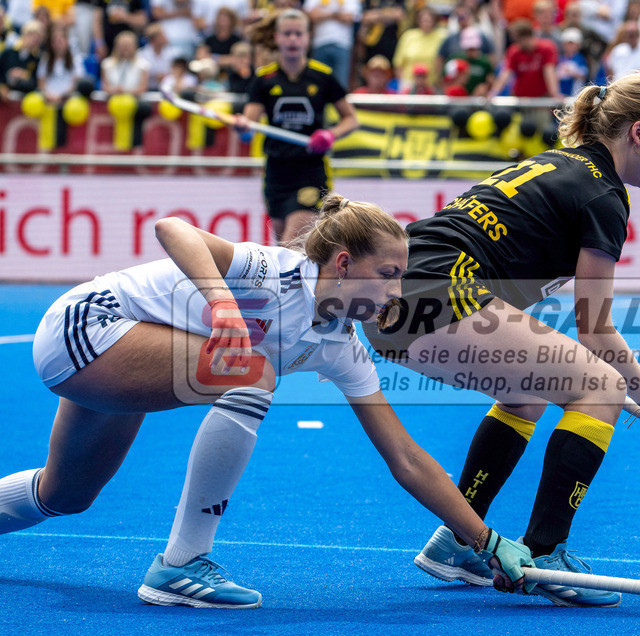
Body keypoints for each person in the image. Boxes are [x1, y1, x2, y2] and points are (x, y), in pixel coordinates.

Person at [0, 194, 534, 607]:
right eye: (388, 276)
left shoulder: (343, 345)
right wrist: (223, 306)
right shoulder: (270, 270)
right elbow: (171, 228)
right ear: (344, 264)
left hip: (131, 349)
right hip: (88, 324)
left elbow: (406, 457)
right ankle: (182, 564)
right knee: (252, 372)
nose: (396, 293)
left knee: (65, 494)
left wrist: (485, 540)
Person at [362, 72, 640, 608]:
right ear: (638, 131)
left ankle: (459, 540)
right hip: (437, 291)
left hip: (387, 298)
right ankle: (547, 555)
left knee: (526, 392)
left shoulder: (559, 163)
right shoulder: (604, 196)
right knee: (601, 387)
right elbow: (594, 327)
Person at [234, 8, 359, 244]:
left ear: (308, 38)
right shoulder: (264, 79)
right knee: (283, 247)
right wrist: (242, 127)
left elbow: (351, 119)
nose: (293, 39)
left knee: (292, 243)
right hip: (276, 171)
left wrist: (329, 135)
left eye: (298, 34)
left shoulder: (322, 77)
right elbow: (249, 126)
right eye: (287, 34)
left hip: (309, 170)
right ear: (277, 38)